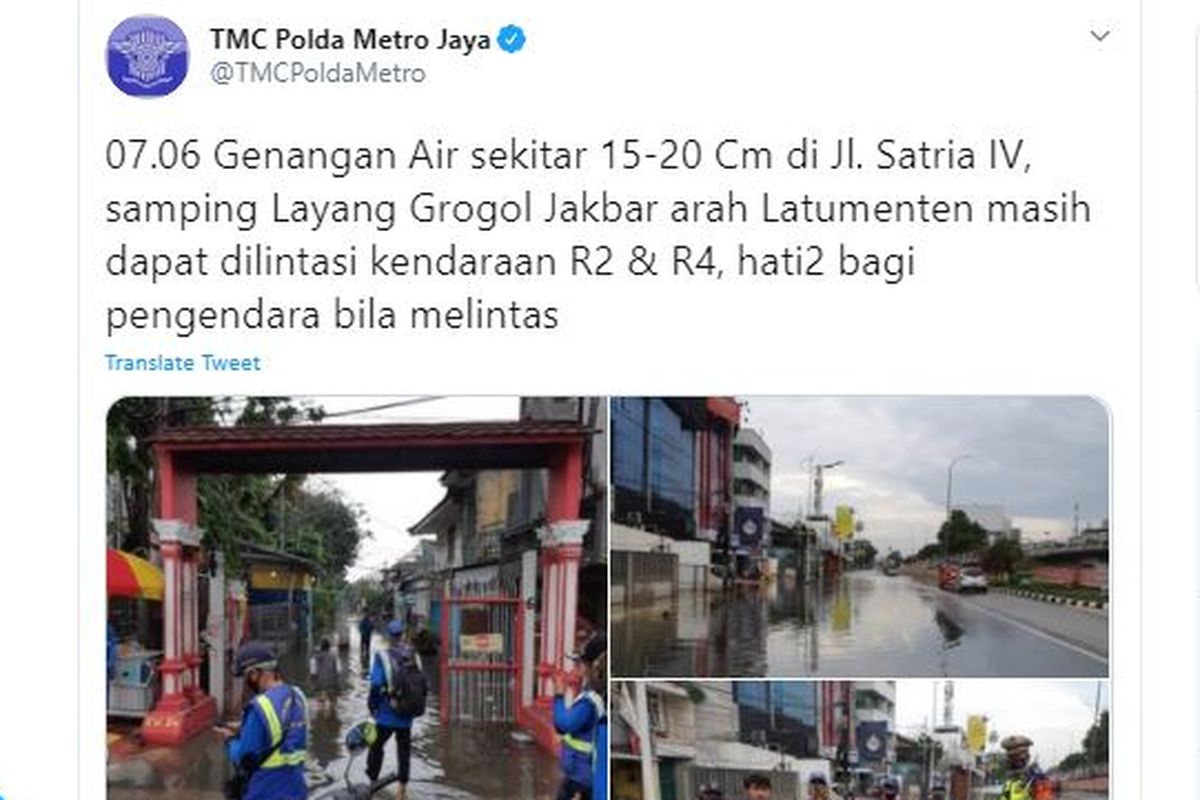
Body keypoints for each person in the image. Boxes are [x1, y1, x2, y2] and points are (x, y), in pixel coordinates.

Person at [216, 641, 309, 800]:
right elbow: (284, 732)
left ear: (254, 673)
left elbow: (245, 758)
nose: (247, 682)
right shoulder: (298, 696)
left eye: (246, 676)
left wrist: (230, 739)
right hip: (296, 790)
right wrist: (243, 727)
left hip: (265, 792)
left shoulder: (259, 706)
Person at [367, 619, 424, 800]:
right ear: (402, 635)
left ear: (388, 636)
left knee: (376, 747)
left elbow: (375, 685)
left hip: (385, 714)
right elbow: (421, 683)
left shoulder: (381, 656)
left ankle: (373, 784)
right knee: (404, 751)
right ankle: (402, 790)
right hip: (406, 715)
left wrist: (372, 706)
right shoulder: (414, 655)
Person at [552, 633, 607, 800]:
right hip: (581, 775)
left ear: (595, 666)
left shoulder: (591, 700)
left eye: (580, 662)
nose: (576, 666)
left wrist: (559, 694)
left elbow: (563, 724)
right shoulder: (594, 693)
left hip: (582, 778)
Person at [999, 735, 1052, 800]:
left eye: (1014, 756)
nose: (1010, 760)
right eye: (1009, 756)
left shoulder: (1037, 778)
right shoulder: (1010, 781)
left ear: (1025, 757)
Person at [309, 637, 340, 703]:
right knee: (333, 703)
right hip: (332, 684)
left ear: (321, 647)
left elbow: (313, 673)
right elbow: (338, 671)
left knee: (320, 704)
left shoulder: (315, 657)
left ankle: (321, 712)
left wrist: (312, 684)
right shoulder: (334, 656)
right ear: (329, 647)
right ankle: (333, 712)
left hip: (319, 684)